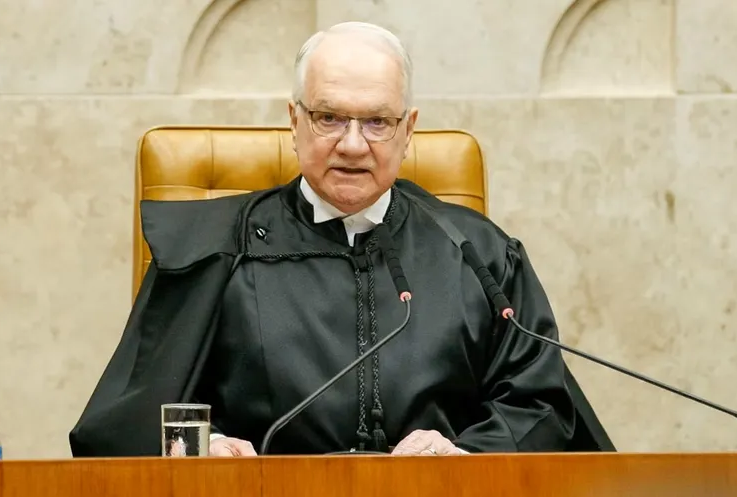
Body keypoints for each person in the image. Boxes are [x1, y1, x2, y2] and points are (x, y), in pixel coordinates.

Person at [69, 22, 612, 457]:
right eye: (329, 117)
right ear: (294, 121)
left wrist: (464, 456)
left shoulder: (480, 255)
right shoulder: (213, 250)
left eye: (377, 122)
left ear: (408, 129)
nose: (352, 145)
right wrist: (201, 448)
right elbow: (133, 418)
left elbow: (541, 407)